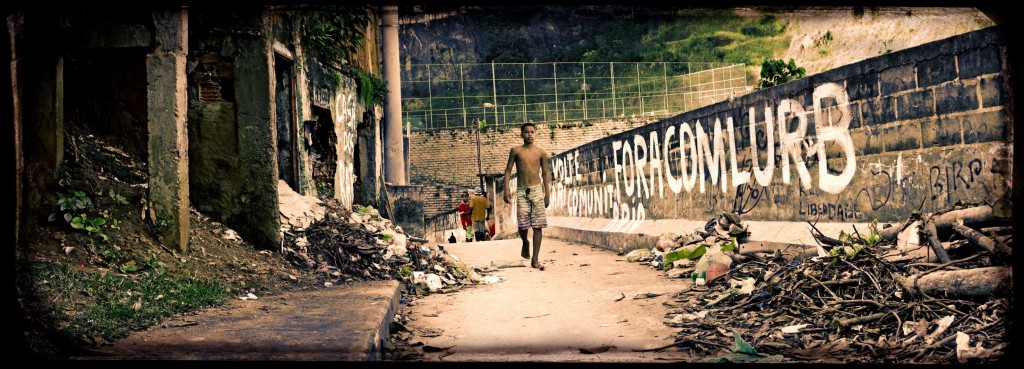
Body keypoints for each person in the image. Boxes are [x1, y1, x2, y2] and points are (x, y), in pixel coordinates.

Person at [503, 122, 552, 270]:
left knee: (538, 226)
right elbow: (508, 171)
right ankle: (525, 241)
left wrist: (547, 193)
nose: (530, 134)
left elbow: (545, 173)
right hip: (522, 191)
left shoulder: (541, 153)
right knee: (523, 225)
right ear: (521, 134)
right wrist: (506, 190)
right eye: (526, 132)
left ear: (536, 134)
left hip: (537, 190)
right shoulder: (516, 151)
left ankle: (535, 259)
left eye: (532, 132)